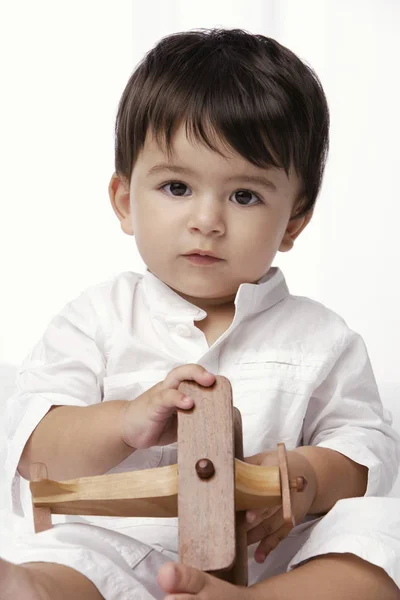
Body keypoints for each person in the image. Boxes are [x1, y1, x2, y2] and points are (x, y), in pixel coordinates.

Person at [1, 27, 399, 600]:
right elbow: (35, 445)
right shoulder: (96, 319)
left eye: (244, 196)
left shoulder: (322, 337)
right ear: (124, 200)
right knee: (66, 557)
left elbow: (367, 451)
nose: (207, 220)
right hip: (118, 549)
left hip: (273, 559)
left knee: (382, 533)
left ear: (292, 223)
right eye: (176, 186)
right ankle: (36, 589)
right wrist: (123, 423)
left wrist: (304, 478)